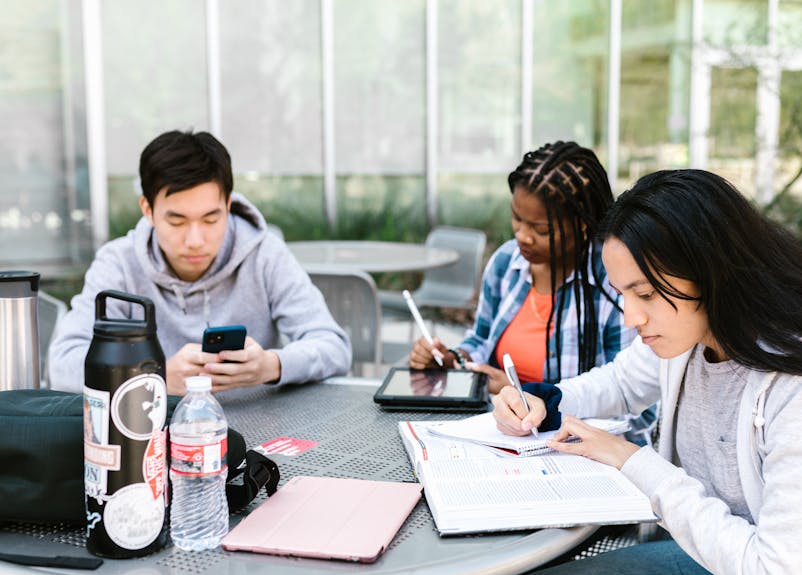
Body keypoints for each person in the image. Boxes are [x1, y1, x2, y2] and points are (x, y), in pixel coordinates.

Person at [488, 169, 802, 575]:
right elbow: (621, 383)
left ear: (709, 272)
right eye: (622, 293)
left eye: (644, 293)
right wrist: (546, 399)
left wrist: (634, 462)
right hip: (732, 563)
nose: (629, 317)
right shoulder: (693, 333)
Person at [49, 130, 351, 395]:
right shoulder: (119, 264)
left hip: (261, 433)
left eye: (211, 218)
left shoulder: (265, 254)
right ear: (148, 209)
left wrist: (271, 366)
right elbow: (63, 364)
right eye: (177, 221)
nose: (195, 239)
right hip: (153, 437)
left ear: (228, 205)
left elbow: (334, 346)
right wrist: (155, 377)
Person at [410, 140, 654, 442]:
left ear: (581, 224)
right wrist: (453, 360)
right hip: (501, 435)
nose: (523, 237)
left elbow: (632, 397)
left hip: (581, 449)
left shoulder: (613, 280)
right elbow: (481, 340)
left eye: (542, 230)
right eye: (517, 219)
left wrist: (529, 396)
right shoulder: (505, 264)